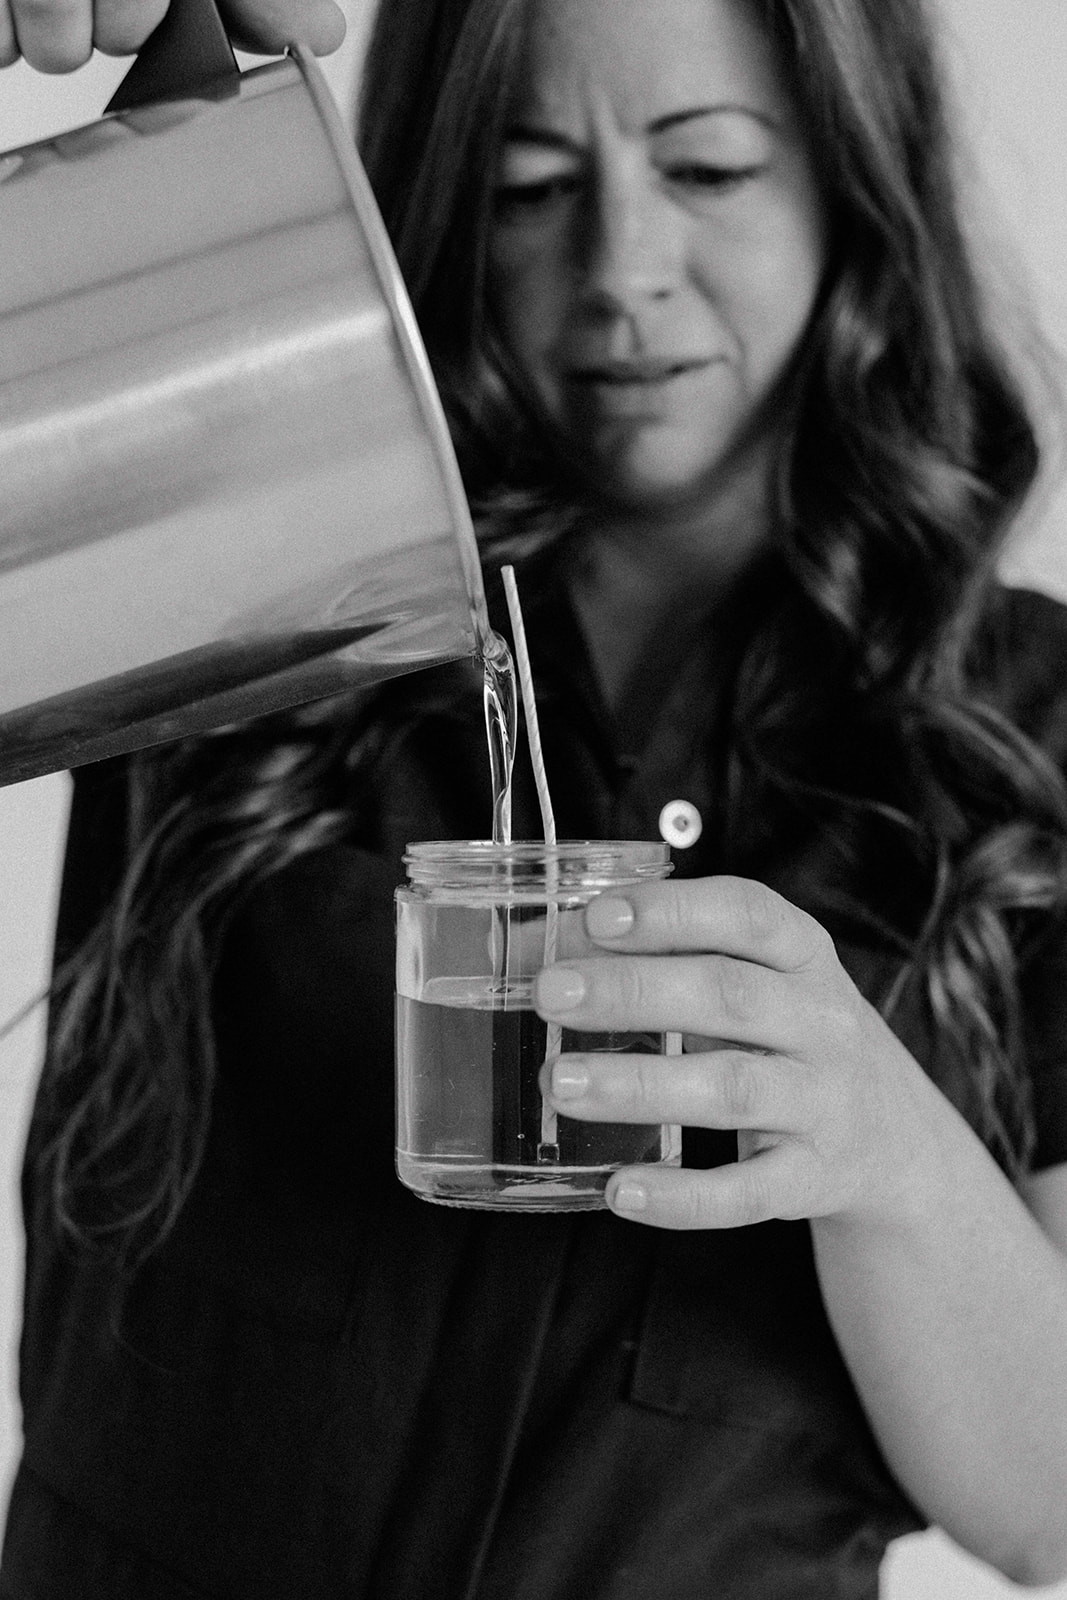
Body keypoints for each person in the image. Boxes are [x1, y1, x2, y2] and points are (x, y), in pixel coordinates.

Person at [3, 0, 1067, 1595]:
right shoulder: (260, 562)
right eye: (533, 187)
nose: (623, 268)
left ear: (858, 182)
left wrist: (891, 1156)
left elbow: (1051, 1508)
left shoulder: (1026, 722)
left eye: (708, 168)